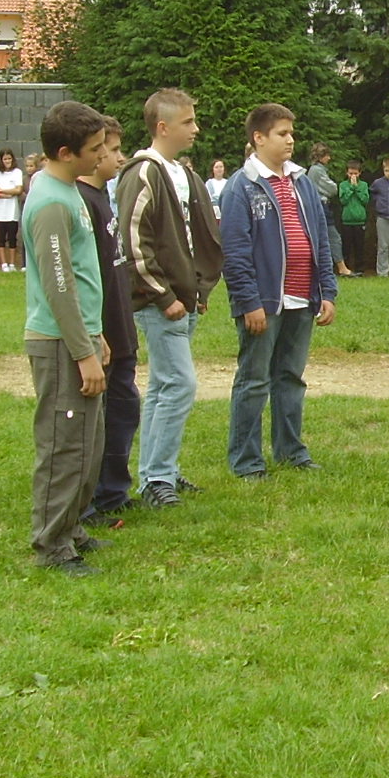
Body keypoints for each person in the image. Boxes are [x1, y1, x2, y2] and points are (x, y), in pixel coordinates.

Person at [117, 87, 223, 509]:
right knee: (180, 384)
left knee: (164, 386)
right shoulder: (144, 172)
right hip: (160, 302)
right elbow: (133, 242)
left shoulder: (184, 174)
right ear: (162, 127)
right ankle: (157, 478)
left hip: (184, 298)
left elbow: (198, 237)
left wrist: (199, 287)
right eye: (188, 122)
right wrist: (163, 295)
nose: (196, 129)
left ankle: (160, 471)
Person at [221, 102, 338, 480]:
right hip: (264, 302)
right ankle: (247, 461)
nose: (291, 140)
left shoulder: (302, 182)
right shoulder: (242, 186)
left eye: (292, 133)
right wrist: (248, 301)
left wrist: (327, 290)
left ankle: (291, 451)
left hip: (302, 297)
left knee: (290, 377)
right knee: (254, 381)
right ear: (259, 138)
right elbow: (235, 252)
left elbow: (320, 239)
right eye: (282, 133)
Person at [20, 100, 111, 575]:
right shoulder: (51, 203)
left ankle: (72, 529)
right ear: (64, 152)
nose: (101, 155)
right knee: (63, 445)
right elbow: (59, 286)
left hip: (79, 338)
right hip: (58, 344)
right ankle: (52, 546)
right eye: (94, 149)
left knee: (87, 444)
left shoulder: (67, 188)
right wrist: (82, 352)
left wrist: (96, 334)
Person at [77, 116, 140, 526]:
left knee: (123, 411)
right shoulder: (81, 201)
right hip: (100, 334)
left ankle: (113, 493)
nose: (119, 157)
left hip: (121, 328)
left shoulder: (104, 197)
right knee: (95, 423)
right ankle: (86, 503)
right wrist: (93, 332)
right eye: (113, 150)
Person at [306, 144, 353, 278]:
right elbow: (332, 189)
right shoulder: (317, 170)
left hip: (319, 206)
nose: (329, 158)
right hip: (321, 206)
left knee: (324, 237)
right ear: (320, 157)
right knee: (333, 237)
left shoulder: (315, 170)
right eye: (327, 155)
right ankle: (342, 268)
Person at [0, 150, 25, 272]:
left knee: (12, 238)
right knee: (1, 239)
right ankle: (4, 264)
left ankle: (12, 264)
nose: (7, 161)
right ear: (1, 160)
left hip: (12, 212)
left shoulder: (17, 172)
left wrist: (1, 190)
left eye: (9, 158)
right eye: (5, 159)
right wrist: (7, 194)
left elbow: (18, 190)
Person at [338, 161, 370, 276]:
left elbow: (365, 200)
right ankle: (346, 269)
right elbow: (343, 200)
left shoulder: (364, 185)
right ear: (347, 173)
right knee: (346, 246)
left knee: (359, 246)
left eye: (355, 173)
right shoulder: (343, 185)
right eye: (351, 173)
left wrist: (357, 188)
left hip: (359, 221)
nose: (353, 176)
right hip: (347, 221)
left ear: (360, 173)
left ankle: (360, 269)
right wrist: (351, 188)